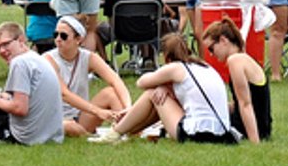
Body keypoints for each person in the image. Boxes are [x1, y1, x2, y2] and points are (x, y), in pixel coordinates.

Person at [93, 34, 236, 144]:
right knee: (159, 95)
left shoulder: (175, 68)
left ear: (166, 57)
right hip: (221, 130)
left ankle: (116, 132)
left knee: (152, 94)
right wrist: (166, 86)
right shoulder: (203, 67)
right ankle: (127, 130)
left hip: (197, 132)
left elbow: (141, 82)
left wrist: (162, 84)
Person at [0, 20, 66, 145]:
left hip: (27, 137)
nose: (2, 51)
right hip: (50, 135)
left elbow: (20, 108)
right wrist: (2, 99)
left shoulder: (19, 62)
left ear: (21, 40)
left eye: (6, 44)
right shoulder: (36, 58)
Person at [45, 15, 131, 137]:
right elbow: (64, 94)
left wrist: (128, 107)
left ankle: (128, 127)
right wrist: (98, 111)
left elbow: (115, 80)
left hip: (81, 115)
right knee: (68, 126)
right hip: (56, 118)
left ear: (78, 39)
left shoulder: (89, 57)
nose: (58, 39)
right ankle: (92, 138)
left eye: (63, 36)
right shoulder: (48, 59)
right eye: (56, 35)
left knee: (111, 93)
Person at [202, 18, 270, 142]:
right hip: (261, 128)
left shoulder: (235, 61)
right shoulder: (245, 59)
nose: (211, 54)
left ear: (223, 40)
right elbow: (245, 102)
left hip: (246, 129)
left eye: (211, 49)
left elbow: (246, 104)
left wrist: (255, 141)